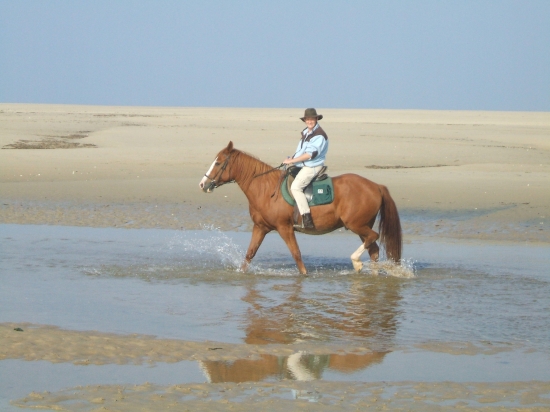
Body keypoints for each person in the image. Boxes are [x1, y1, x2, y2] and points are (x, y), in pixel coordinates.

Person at [283, 108, 329, 229]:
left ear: (316, 119)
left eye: (312, 119)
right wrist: (291, 158)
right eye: (307, 119)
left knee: (296, 187)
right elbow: (301, 151)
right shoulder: (306, 132)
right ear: (305, 120)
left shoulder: (319, 135)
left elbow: (309, 155)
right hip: (302, 164)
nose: (310, 121)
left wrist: (292, 161)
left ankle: (306, 218)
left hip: (312, 166)